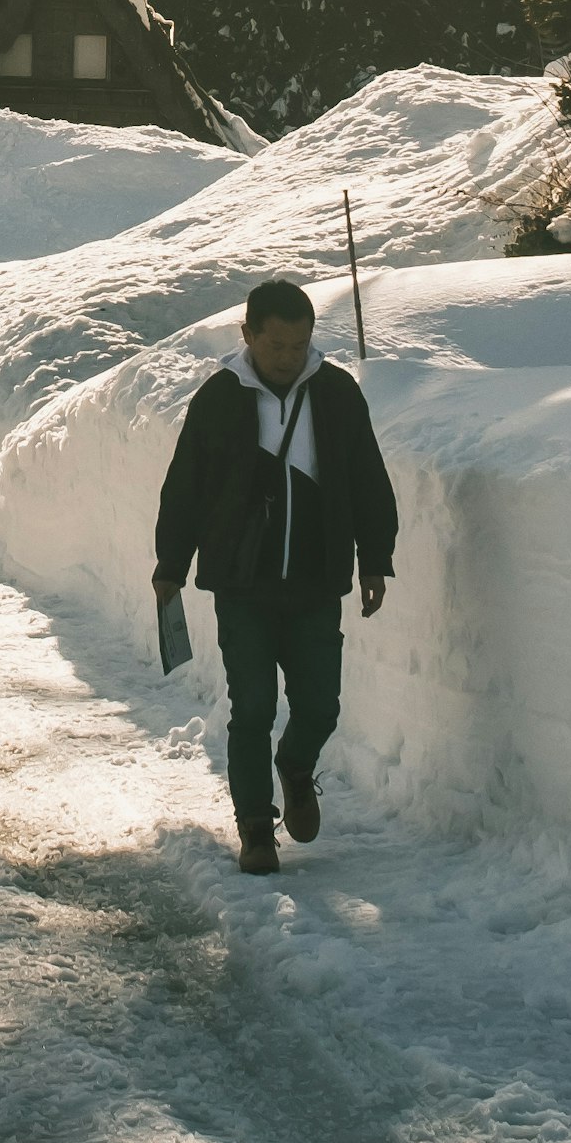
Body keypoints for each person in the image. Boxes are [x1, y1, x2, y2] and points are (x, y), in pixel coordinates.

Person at [152, 275, 397, 877]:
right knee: (253, 705)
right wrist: (170, 565)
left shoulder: (337, 395)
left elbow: (368, 478)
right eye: (275, 346)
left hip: (317, 581)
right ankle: (257, 828)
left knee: (320, 706)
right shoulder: (220, 397)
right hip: (243, 583)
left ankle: (294, 765)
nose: (288, 358)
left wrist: (375, 558)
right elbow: (185, 488)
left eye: (298, 346)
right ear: (249, 336)